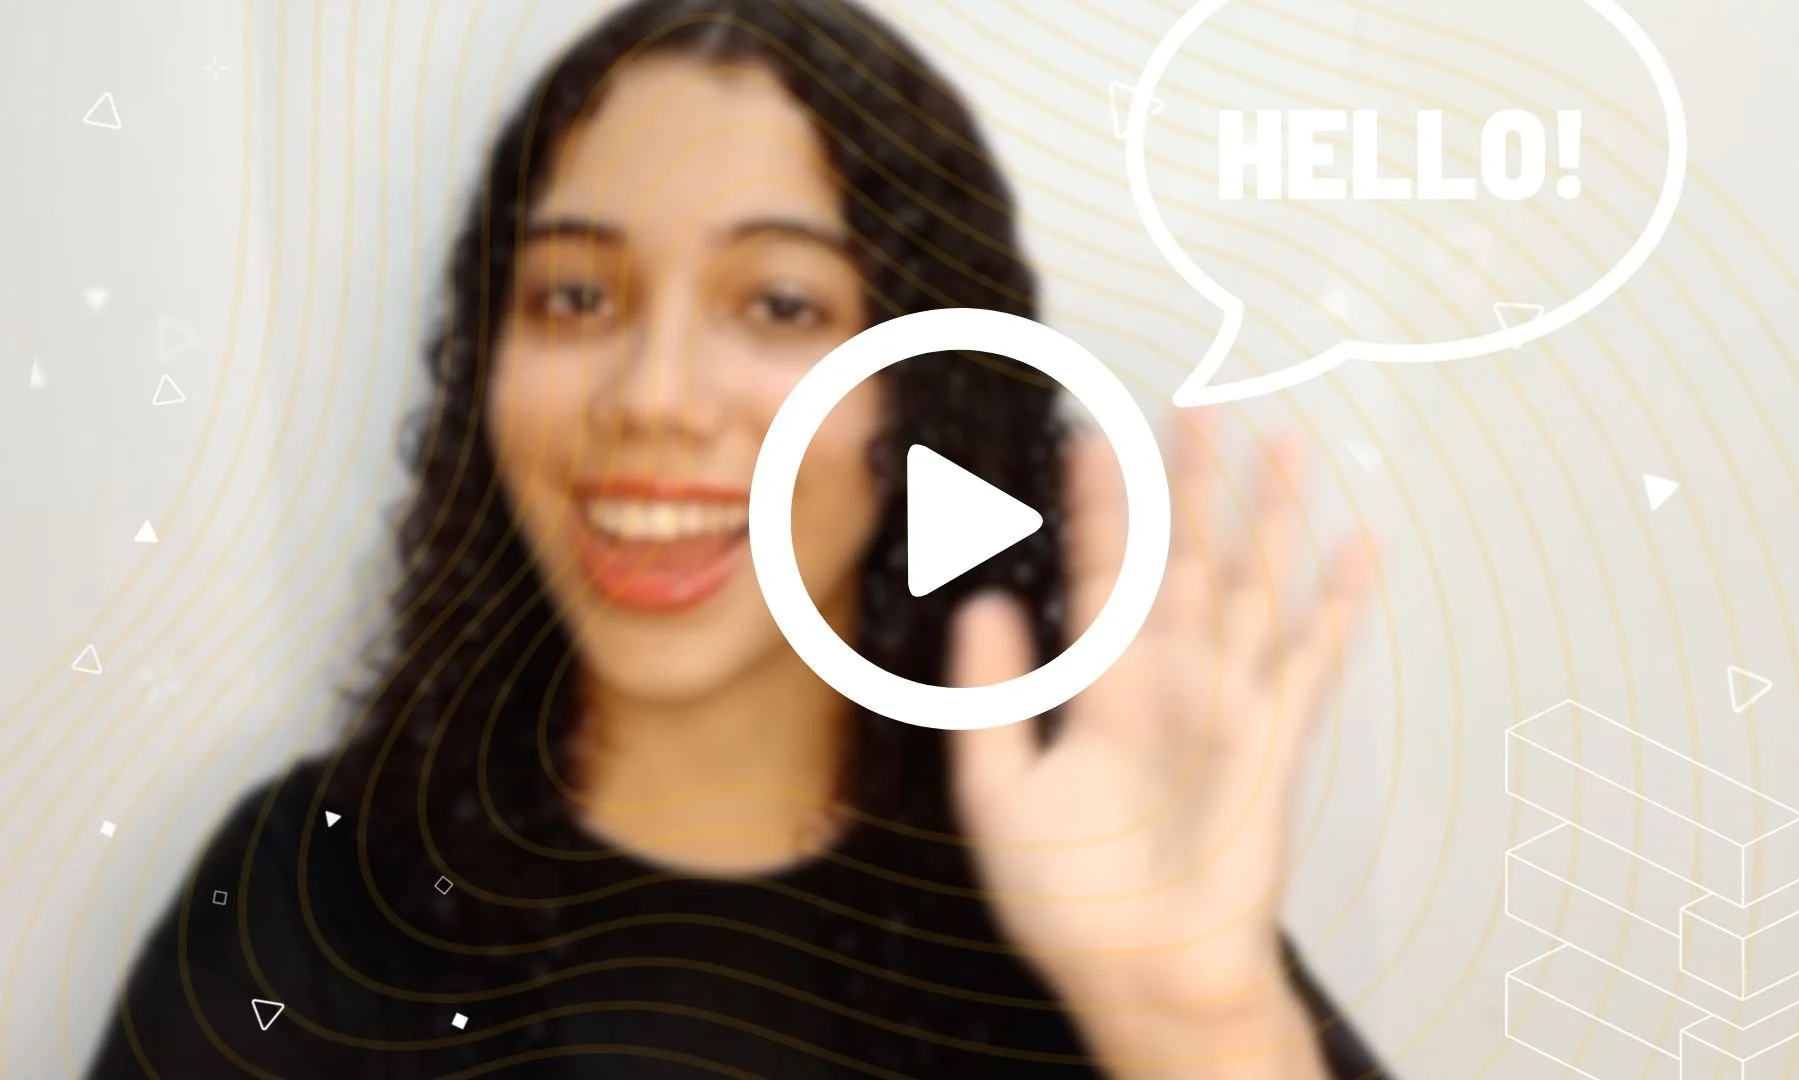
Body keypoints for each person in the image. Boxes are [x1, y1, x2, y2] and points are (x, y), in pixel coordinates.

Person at [86, 1, 1385, 1076]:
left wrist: (1196, 1028)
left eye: (776, 302)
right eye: (575, 296)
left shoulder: (1107, 885)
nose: (652, 395)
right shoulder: (313, 902)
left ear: (927, 386)